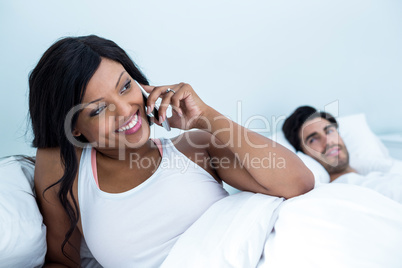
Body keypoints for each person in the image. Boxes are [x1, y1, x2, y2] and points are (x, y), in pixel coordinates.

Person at [29, 35, 314, 267]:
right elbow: (62, 261)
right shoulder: (63, 166)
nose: (127, 110)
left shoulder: (195, 146)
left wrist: (206, 117)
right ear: (74, 128)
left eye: (126, 86)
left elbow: (299, 183)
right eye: (100, 109)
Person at [282, 105, 402, 203]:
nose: (328, 141)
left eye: (329, 131)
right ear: (305, 154)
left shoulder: (383, 168)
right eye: (313, 139)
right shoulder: (341, 193)